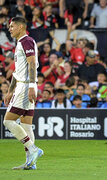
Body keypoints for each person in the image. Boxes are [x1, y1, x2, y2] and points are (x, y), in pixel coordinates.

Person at [3, 17, 43, 170]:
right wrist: (10, 90)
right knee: (26, 125)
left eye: (12, 26)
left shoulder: (26, 41)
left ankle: (33, 150)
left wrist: (32, 86)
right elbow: (17, 71)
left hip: (26, 87)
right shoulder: (20, 43)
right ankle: (30, 163)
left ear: (21, 27)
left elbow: (32, 63)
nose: (10, 29)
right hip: (22, 86)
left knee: (8, 121)